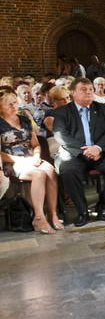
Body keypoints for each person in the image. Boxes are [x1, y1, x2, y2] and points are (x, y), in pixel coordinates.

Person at [52, 77, 105, 227]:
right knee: (68, 171)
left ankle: (102, 205)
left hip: (100, 151)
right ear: (73, 92)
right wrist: (85, 150)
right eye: (83, 89)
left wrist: (97, 148)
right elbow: (60, 135)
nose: (89, 92)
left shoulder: (102, 108)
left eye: (90, 89)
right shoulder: (62, 111)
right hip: (75, 153)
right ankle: (82, 211)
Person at [0, 90, 62, 234]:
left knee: (50, 169)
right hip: (11, 162)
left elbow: (36, 144)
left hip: (30, 158)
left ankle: (52, 214)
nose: (13, 106)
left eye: (14, 102)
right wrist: (19, 159)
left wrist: (36, 155)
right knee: (38, 174)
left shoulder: (24, 120)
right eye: (8, 104)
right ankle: (38, 217)